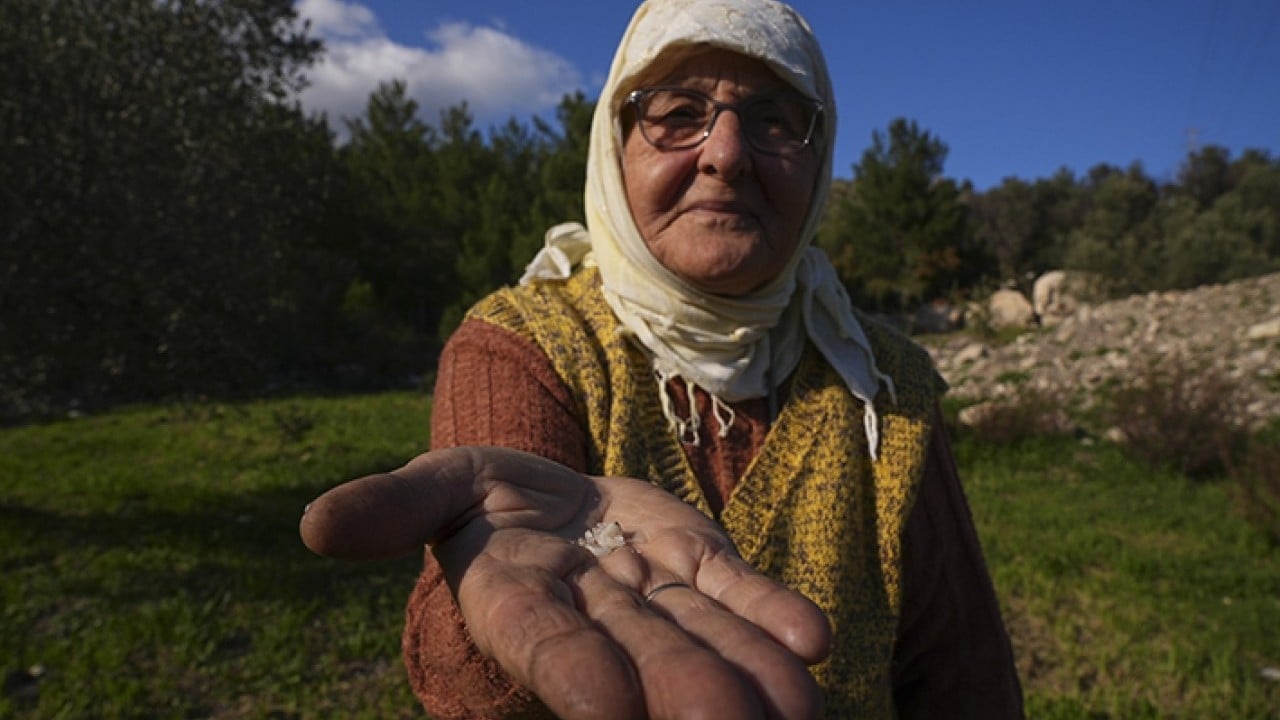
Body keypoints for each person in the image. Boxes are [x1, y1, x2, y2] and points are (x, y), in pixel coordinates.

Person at [300, 0, 1024, 717]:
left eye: (775, 119)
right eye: (678, 112)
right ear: (615, 150)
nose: (726, 153)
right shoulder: (525, 341)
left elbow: (961, 672)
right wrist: (497, 620)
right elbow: (465, 663)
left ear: (819, 156)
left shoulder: (885, 383)